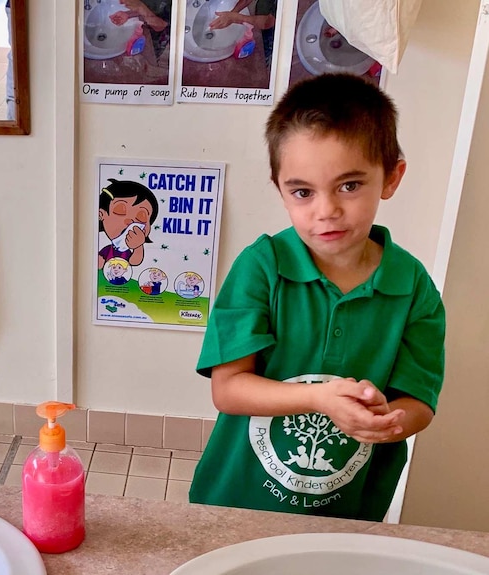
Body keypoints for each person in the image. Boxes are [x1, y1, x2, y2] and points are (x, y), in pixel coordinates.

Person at [188, 73, 445, 522]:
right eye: (302, 192)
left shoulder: (413, 285)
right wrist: (321, 398)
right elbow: (228, 389)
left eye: (349, 185)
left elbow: (419, 404)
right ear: (280, 189)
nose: (326, 210)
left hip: (347, 514)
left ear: (391, 176)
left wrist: (387, 420)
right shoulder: (262, 266)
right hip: (235, 502)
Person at [210, 0, 277, 69]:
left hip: (277, 29)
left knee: (268, 57)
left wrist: (235, 18)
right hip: (267, 8)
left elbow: (267, 22)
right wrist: (232, 13)